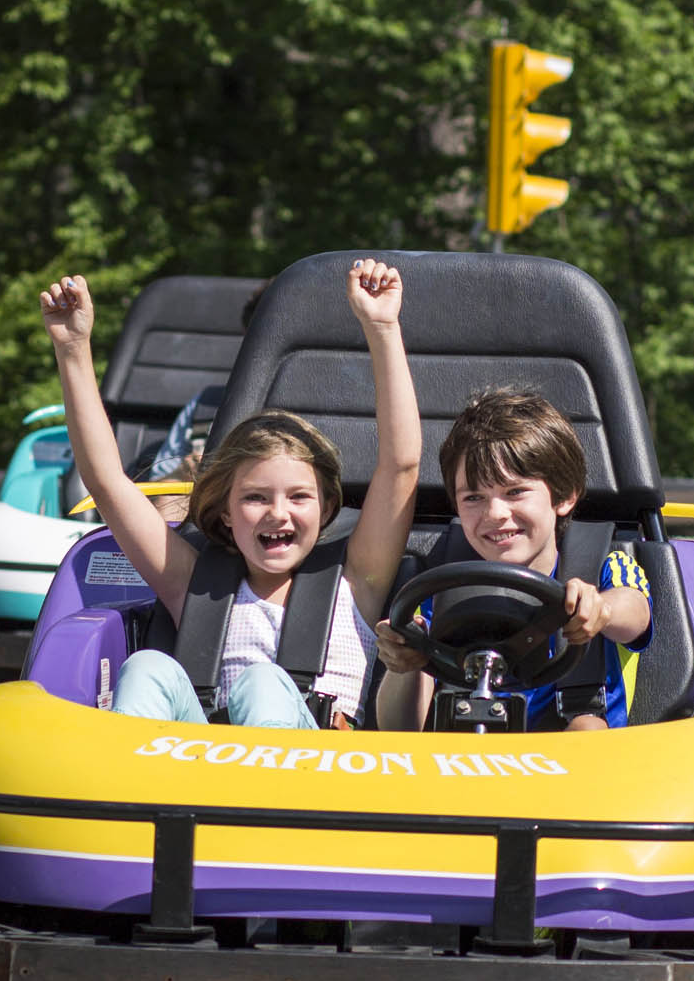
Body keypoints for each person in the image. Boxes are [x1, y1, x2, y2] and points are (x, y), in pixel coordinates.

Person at [41, 260, 419, 729]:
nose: (277, 514)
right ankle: (130, 794)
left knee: (263, 683)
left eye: (298, 497)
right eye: (256, 498)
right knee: (147, 667)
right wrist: (73, 348)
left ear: (325, 509)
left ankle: (264, 802)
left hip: (316, 777)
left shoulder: (358, 581)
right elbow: (107, 481)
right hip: (210, 772)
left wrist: (381, 328)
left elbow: (401, 465)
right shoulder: (194, 585)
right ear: (224, 512)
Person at [373, 388, 653, 732]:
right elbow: (397, 731)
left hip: (574, 763)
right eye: (474, 497)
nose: (494, 514)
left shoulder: (605, 566)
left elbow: (636, 612)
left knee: (587, 726)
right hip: (469, 761)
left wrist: (600, 609)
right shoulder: (441, 587)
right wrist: (405, 663)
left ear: (563, 496)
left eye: (514, 492)